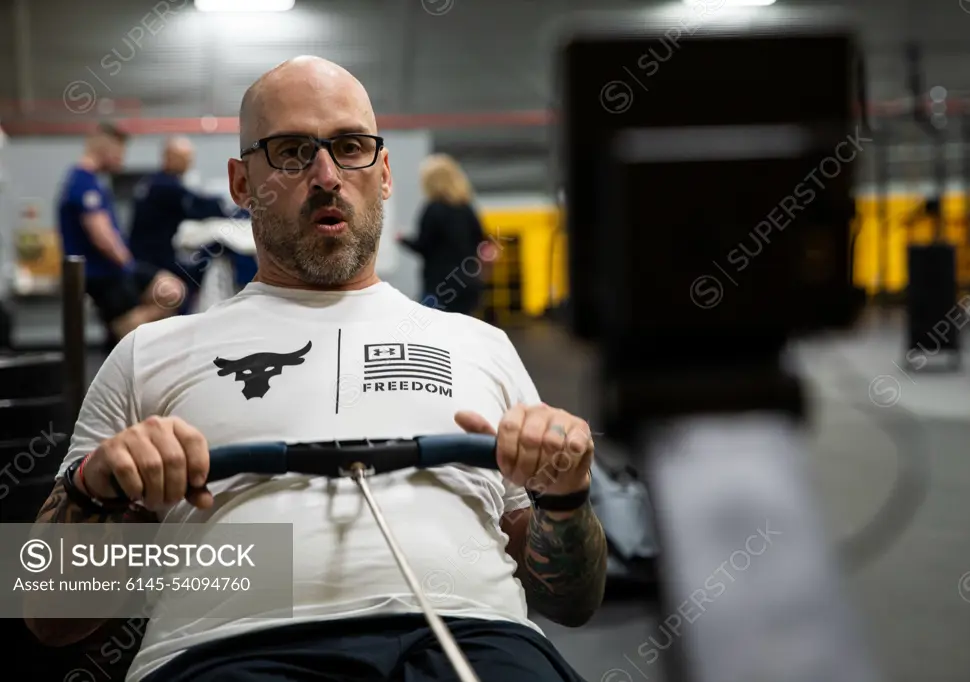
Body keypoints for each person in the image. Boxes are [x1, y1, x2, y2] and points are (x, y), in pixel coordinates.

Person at [28, 57, 606, 682]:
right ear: (243, 183)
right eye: (293, 151)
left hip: (474, 643)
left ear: (384, 174)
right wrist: (97, 489)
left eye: (351, 147)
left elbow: (570, 601)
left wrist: (565, 498)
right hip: (234, 654)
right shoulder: (150, 352)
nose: (327, 176)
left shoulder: (479, 345)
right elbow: (49, 613)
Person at [57, 123, 187, 342]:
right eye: (119, 153)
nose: (121, 159)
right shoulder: (83, 183)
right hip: (104, 275)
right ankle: (124, 335)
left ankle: (124, 334)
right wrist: (128, 266)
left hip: (112, 271)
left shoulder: (89, 182)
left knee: (172, 291)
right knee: (170, 293)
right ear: (104, 149)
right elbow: (102, 237)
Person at [129, 136, 237, 306]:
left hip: (146, 258)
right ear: (169, 157)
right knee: (185, 287)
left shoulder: (152, 182)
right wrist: (233, 208)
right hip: (154, 262)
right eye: (185, 159)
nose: (189, 164)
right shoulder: (165, 187)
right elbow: (201, 207)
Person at [399, 154, 493, 315]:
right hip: (468, 283)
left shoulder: (432, 209)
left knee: (433, 335)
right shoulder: (466, 208)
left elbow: (424, 246)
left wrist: (403, 240)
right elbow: (482, 240)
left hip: (440, 285)